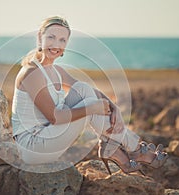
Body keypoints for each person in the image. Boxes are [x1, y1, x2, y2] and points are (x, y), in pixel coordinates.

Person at [11, 15, 168, 174]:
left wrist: (115, 109)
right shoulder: (32, 73)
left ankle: (119, 148)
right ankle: (134, 149)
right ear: (40, 37)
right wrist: (92, 109)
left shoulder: (56, 71)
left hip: (49, 135)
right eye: (51, 37)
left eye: (62, 40)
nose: (56, 44)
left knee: (83, 89)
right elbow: (55, 117)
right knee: (89, 106)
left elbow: (88, 91)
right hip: (32, 147)